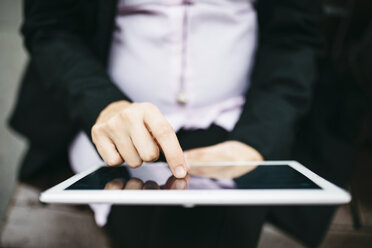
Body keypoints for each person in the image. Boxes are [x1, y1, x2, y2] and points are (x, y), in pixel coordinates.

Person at [9, 0, 323, 247]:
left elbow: (295, 36)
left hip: (241, 121)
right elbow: (51, 26)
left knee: (210, 221)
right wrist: (104, 107)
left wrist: (256, 141)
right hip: (115, 124)